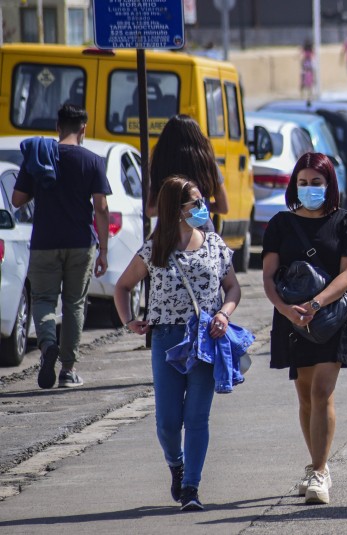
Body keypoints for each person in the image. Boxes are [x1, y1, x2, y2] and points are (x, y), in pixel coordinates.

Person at [113, 176, 241, 511]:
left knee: (197, 418)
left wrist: (224, 315)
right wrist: (129, 321)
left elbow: (233, 288)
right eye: (195, 203)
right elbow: (122, 286)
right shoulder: (156, 248)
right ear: (176, 210)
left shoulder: (214, 244)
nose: (203, 208)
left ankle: (191, 489)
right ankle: (176, 463)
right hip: (167, 339)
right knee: (168, 422)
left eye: (203, 201)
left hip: (205, 341)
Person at [261, 152, 347, 505]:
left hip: (331, 317)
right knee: (305, 396)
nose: (309, 189)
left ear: (329, 184)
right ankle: (315, 464)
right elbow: (269, 276)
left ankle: (319, 471)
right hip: (292, 319)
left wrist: (317, 304)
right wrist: (287, 311)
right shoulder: (279, 224)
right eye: (302, 183)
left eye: (316, 183)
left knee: (322, 392)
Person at [12, 104, 110, 389]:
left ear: (58, 127)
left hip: (44, 242)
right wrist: (103, 249)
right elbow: (101, 208)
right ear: (84, 129)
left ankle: (47, 346)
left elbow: (18, 199)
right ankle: (68, 370)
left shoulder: (40, 155)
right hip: (80, 243)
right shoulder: (92, 161)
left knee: (43, 300)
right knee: (74, 304)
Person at [148, 115, 229, 231]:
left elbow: (150, 210)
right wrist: (198, 205)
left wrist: (174, 208)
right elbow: (223, 207)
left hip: (169, 234)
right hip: (202, 232)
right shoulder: (208, 164)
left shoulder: (159, 165)